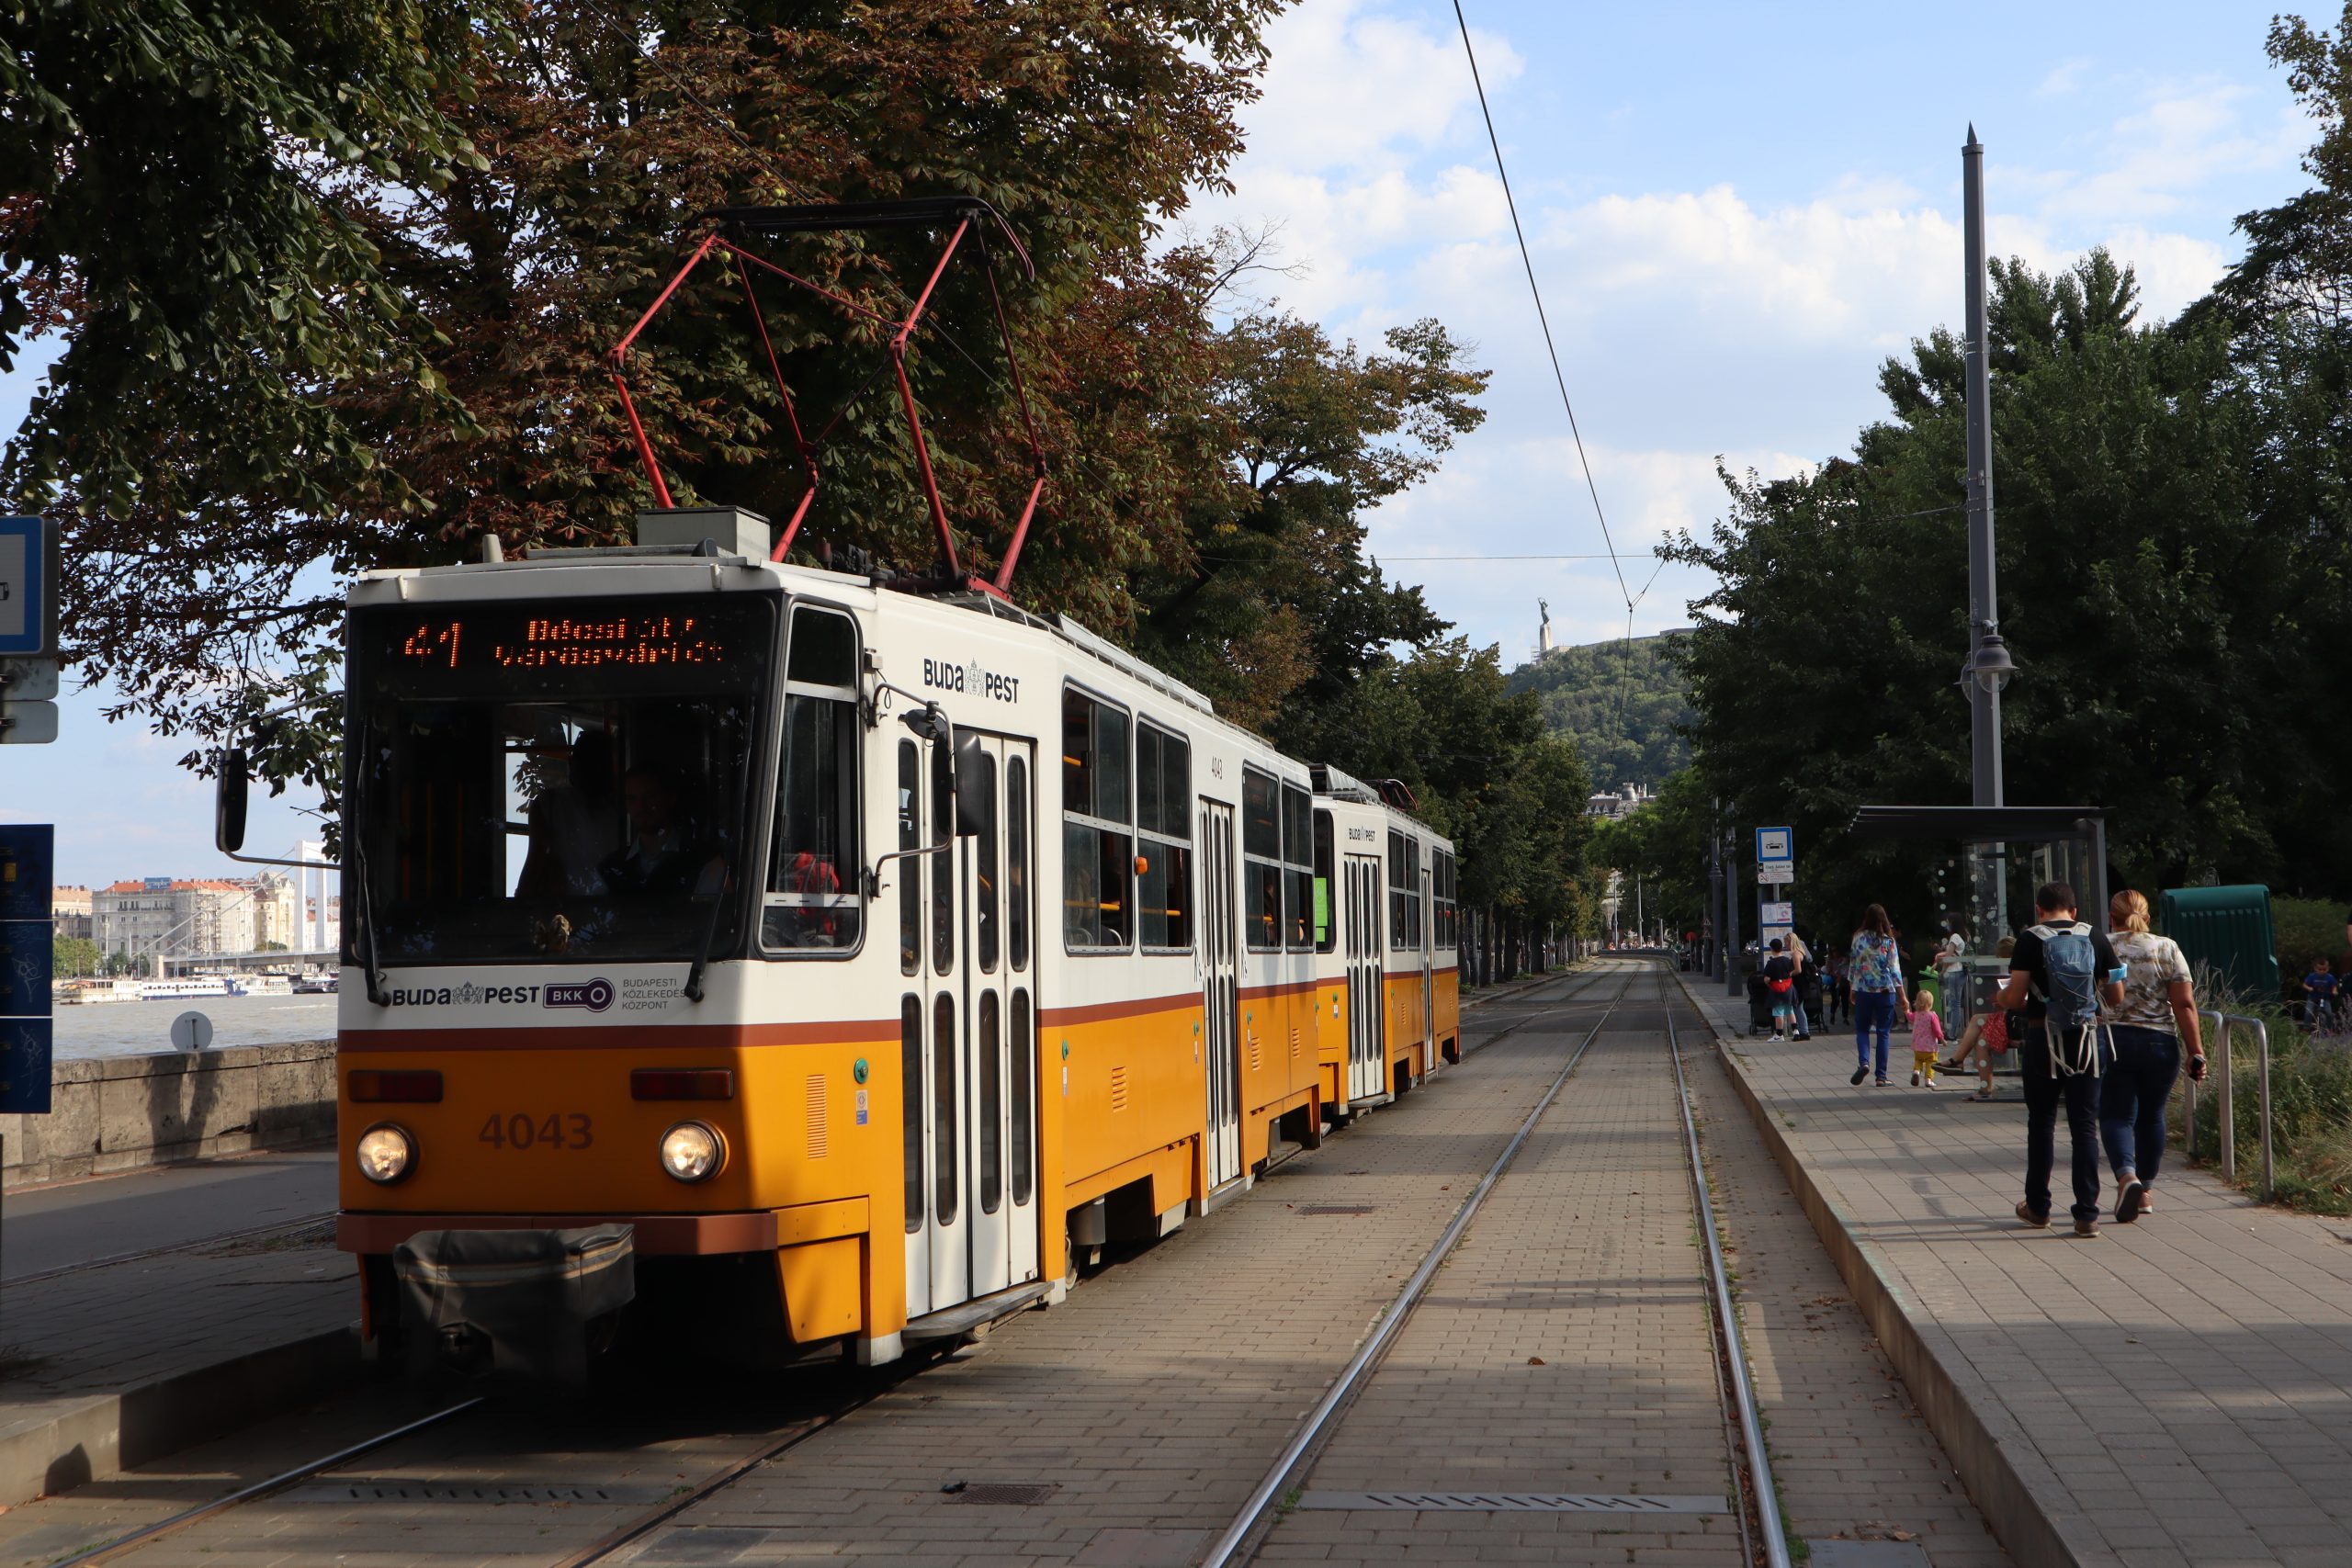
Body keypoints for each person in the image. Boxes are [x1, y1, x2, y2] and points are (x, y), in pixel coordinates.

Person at [1996, 881, 2125, 1238]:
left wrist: (2002, 995)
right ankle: (2087, 1214)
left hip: (2043, 1037)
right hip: (2087, 1037)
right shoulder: (2095, 937)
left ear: (2039, 910)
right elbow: (2115, 996)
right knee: (2084, 1125)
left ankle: (2038, 1207)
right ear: (2074, 910)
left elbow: (2016, 995)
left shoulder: (2030, 939)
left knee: (2042, 1123)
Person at [2103, 890, 2205, 1221]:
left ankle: (2126, 1175)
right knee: (2152, 1115)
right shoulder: (2167, 947)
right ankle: (2145, 1191)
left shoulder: (2102, 945)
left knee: (2116, 1115)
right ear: (2147, 917)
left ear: (2111, 917)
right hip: (2159, 1044)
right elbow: (2184, 1003)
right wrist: (2196, 1051)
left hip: (2113, 1040)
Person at [1941, 937, 2017, 1100]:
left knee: (1982, 1040)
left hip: (2018, 1020)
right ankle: (1959, 1060)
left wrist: (2001, 998)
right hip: (2016, 1017)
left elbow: (2015, 999)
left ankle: (1982, 1085)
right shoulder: (2022, 968)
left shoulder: (2020, 969)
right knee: (1977, 1019)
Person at [1847, 905, 1905, 1086]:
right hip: (1885, 991)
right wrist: (1903, 996)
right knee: (1883, 1033)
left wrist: (1852, 988)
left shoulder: (1858, 938)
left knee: (1862, 1030)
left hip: (1864, 990)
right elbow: (1895, 970)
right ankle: (1881, 1076)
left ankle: (1864, 1062)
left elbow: (1853, 966)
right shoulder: (1889, 941)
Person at [1906, 988, 1946, 1088]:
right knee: (1931, 1063)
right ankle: (1928, 1080)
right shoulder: (1932, 1016)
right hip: (1930, 1046)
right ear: (1930, 1003)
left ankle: (1916, 1072)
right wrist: (1942, 1039)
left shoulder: (1916, 1015)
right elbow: (1937, 1030)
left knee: (1918, 1061)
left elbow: (1909, 1017)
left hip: (1917, 1046)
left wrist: (1906, 1010)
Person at [1762, 939, 1799, 1040]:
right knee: (1790, 1010)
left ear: (1771, 949)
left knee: (1779, 1013)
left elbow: (1767, 978)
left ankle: (1779, 1035)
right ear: (1781, 948)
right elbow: (1791, 972)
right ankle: (1796, 1031)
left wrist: (1767, 982)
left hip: (1776, 990)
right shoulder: (1787, 960)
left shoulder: (1771, 963)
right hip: (1788, 989)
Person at [1787, 932, 1817, 1040]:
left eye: (1786, 942)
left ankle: (1804, 1031)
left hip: (1798, 984)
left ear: (1791, 942)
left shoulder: (1795, 954)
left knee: (1798, 1008)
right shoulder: (1802, 952)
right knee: (1799, 1007)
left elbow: (1798, 970)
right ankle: (1803, 1030)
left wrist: (1788, 974)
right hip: (1803, 983)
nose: (1785, 945)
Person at [2301, 955, 2341, 1031]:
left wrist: (2334, 991)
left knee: (2329, 1014)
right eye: (2320, 969)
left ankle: (2329, 1029)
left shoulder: (2330, 977)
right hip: (2312, 998)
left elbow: (2334, 986)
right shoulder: (2312, 976)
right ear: (2315, 969)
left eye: (2324, 969)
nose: (2322, 971)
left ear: (2328, 968)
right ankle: (2306, 1028)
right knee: (2308, 1013)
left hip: (2325, 998)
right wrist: (2309, 988)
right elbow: (2304, 984)